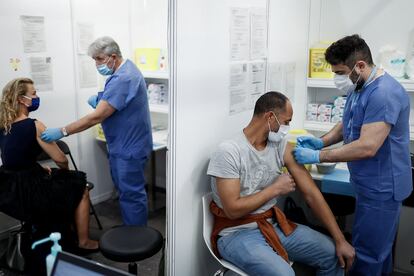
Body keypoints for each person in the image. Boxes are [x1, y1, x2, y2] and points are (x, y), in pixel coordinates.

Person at [293, 34, 412, 275]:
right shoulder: (359, 85)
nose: (337, 79)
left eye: (340, 73)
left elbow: (367, 146)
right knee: (379, 250)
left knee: (369, 253)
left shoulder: (383, 93)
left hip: (382, 187)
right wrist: (321, 141)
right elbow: (347, 123)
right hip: (367, 183)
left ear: (359, 65)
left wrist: (319, 157)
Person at [207, 91, 355, 276]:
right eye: (286, 122)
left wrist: (340, 239)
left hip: (272, 225)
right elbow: (232, 210)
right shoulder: (229, 151)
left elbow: (311, 194)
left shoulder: (279, 146)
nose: (288, 128)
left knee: (333, 254)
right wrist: (274, 189)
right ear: (270, 117)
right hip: (236, 233)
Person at [41, 36, 153, 226]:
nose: (96, 64)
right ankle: (132, 229)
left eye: (99, 59)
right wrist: (101, 100)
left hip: (128, 149)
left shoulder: (124, 78)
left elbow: (96, 117)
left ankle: (137, 238)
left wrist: (63, 131)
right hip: (124, 144)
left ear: (113, 56)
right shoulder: (125, 70)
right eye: (94, 60)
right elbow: (117, 102)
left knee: (131, 195)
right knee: (126, 192)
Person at [0, 78, 98, 252]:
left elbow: (15, 159)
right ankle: (84, 241)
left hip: (8, 188)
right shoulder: (35, 125)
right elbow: (61, 159)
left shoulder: (4, 125)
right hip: (29, 191)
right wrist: (66, 174)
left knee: (60, 181)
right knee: (79, 187)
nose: (37, 96)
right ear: (22, 99)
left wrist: (37, 169)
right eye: (34, 93)